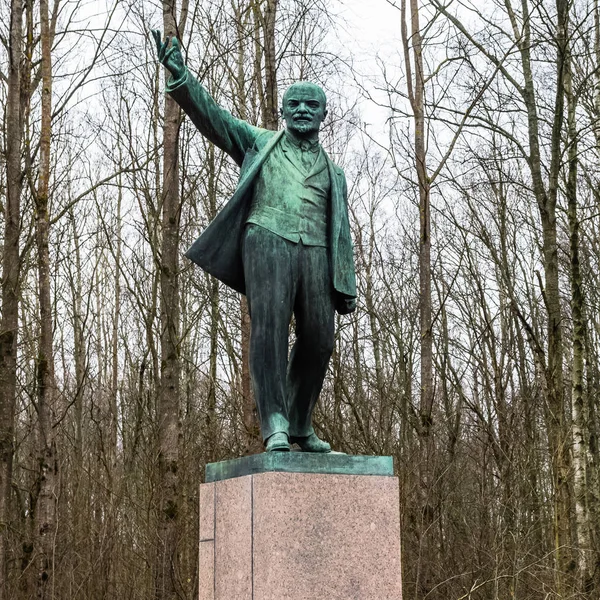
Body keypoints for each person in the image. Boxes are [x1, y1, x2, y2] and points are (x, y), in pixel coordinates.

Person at [152, 32, 357, 452]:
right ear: (282, 111)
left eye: (311, 105)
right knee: (269, 331)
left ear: (323, 115)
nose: (302, 110)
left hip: (316, 251)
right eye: (294, 104)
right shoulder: (260, 143)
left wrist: (346, 282)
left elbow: (342, 233)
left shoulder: (335, 173)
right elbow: (216, 119)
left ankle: (300, 423)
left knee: (320, 338)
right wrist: (182, 78)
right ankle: (276, 424)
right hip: (266, 239)